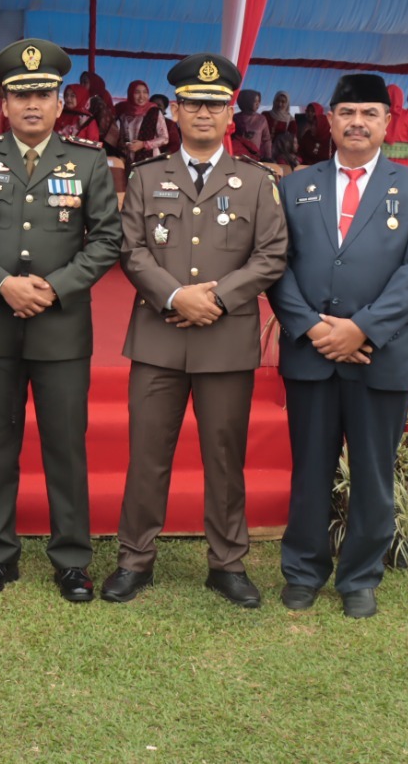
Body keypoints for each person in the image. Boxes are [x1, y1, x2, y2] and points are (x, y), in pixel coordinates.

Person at [103, 52, 288, 608]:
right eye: (192, 103)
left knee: (225, 456)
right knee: (147, 453)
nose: (203, 112)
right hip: (159, 336)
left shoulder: (257, 181)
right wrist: (175, 295)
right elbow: (130, 249)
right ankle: (135, 559)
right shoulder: (146, 176)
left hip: (225, 338)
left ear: (231, 114)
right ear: (175, 111)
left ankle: (227, 563)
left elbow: (272, 253)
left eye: (215, 104)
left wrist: (218, 298)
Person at [269, 73, 408, 619]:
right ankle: (303, 570)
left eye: (370, 113)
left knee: (373, 473)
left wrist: (360, 329)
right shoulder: (294, 186)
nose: (357, 123)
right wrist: (316, 329)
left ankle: (361, 577)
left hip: (381, 355)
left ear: (387, 123)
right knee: (310, 470)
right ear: (330, 120)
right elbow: (274, 265)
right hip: (311, 353)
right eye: (347, 112)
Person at [0, 39, 121, 602]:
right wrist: (3, 285)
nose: (31, 104)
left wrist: (54, 286)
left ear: (59, 101)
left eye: (42, 94)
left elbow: (108, 239)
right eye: (20, 94)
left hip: (60, 324)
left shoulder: (88, 159)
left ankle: (72, 558)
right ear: (3, 100)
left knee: (66, 445)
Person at [231, 89, 271, 161]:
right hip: (238, 156)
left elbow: (266, 140)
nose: (257, 104)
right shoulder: (235, 118)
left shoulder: (262, 119)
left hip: (255, 156)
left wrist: (268, 157)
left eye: (259, 101)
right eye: (255, 101)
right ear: (247, 101)